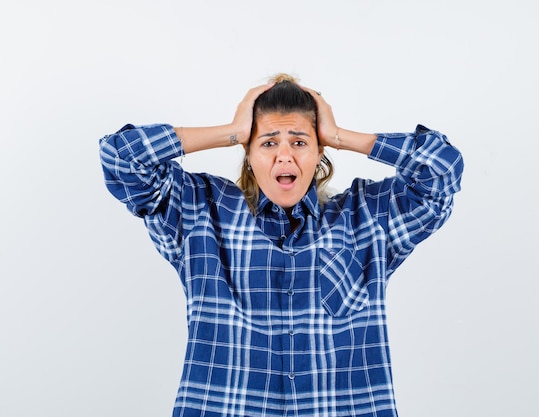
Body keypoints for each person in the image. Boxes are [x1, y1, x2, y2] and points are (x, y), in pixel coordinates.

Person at [99, 73, 464, 417]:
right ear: (248, 152)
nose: (284, 156)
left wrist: (339, 135)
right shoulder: (199, 211)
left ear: (320, 153)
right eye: (268, 142)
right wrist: (230, 131)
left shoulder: (366, 216)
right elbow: (121, 158)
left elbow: (441, 171)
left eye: (300, 142)